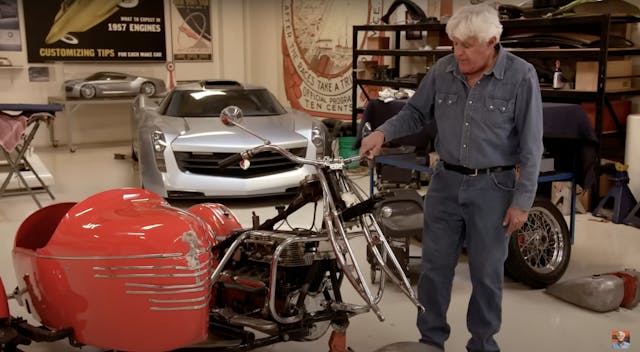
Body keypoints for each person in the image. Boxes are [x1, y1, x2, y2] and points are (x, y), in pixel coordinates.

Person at [359, 4, 543, 352]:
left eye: (466, 45)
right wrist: (382, 133)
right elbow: (415, 113)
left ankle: (483, 344)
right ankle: (431, 341)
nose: (457, 52)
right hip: (445, 184)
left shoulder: (521, 76)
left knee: (487, 275)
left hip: (494, 187)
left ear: (491, 42)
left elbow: (532, 146)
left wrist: (522, 202)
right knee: (434, 270)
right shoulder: (443, 70)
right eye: (454, 43)